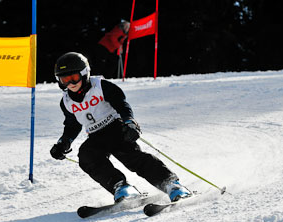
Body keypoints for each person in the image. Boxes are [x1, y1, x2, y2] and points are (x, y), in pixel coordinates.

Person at [50, 52, 190, 202]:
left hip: (116, 129)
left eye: (74, 78)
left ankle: (171, 184)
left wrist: (130, 122)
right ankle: (121, 187)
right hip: (96, 135)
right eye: (65, 80)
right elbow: (73, 124)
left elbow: (121, 104)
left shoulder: (101, 87)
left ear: (84, 74)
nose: (70, 84)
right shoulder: (66, 102)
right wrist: (64, 142)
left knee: (132, 157)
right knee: (87, 156)